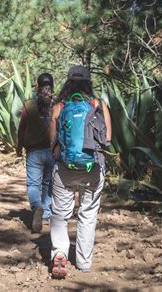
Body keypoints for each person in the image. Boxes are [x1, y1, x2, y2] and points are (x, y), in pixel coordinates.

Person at [48, 65, 111, 278]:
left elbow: (52, 142)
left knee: (60, 213)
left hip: (65, 168)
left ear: (67, 82)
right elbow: (107, 139)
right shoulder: (99, 105)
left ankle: (59, 253)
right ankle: (84, 263)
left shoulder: (59, 106)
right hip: (93, 168)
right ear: (88, 82)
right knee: (87, 214)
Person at [16, 73, 55, 233]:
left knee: (33, 184)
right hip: (52, 152)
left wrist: (19, 147)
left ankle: (36, 207)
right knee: (48, 184)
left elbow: (22, 129)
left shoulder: (29, 105)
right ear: (52, 87)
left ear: (37, 87)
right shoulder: (57, 105)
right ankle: (45, 214)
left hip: (34, 152)